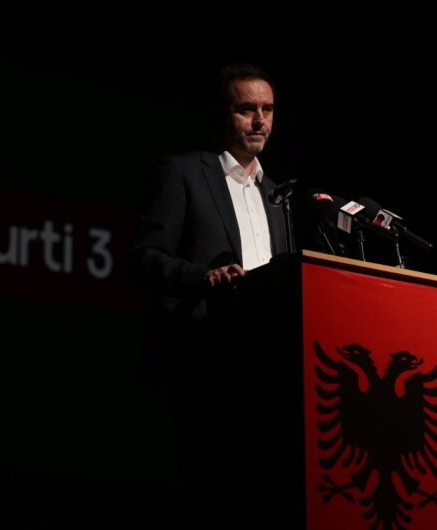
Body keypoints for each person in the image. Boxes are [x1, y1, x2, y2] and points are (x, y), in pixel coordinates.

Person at [131, 63, 294, 528]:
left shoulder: (277, 196)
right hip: (204, 358)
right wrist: (204, 277)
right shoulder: (184, 172)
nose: (260, 121)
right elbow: (145, 257)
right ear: (223, 114)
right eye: (247, 110)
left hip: (267, 367)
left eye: (268, 110)